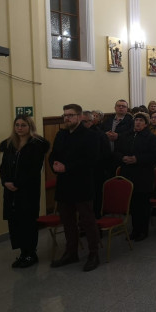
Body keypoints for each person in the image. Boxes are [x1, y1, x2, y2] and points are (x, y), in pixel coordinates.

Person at [49, 104, 101, 272]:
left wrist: (67, 167)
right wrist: (54, 165)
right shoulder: (61, 134)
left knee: (87, 220)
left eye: (70, 115)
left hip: (82, 183)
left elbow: (92, 159)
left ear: (79, 117)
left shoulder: (90, 135)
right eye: (65, 115)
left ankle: (93, 254)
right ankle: (71, 253)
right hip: (64, 184)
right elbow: (53, 155)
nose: (67, 118)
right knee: (67, 221)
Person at [0, 116, 50, 268]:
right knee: (15, 223)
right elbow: (3, 167)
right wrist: (5, 182)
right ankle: (23, 253)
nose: (19, 128)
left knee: (28, 222)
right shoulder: (9, 144)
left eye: (23, 125)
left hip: (27, 191)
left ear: (30, 127)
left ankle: (31, 254)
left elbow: (33, 170)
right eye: (17, 125)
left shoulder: (36, 145)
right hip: (10, 191)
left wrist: (17, 184)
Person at [113, 112, 156, 241]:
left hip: (143, 175)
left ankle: (143, 231)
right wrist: (122, 158)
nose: (138, 122)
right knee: (132, 204)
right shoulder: (125, 136)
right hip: (128, 174)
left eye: (141, 120)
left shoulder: (151, 137)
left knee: (143, 204)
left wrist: (137, 159)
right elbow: (116, 152)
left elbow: (155, 155)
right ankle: (135, 230)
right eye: (136, 120)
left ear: (146, 124)